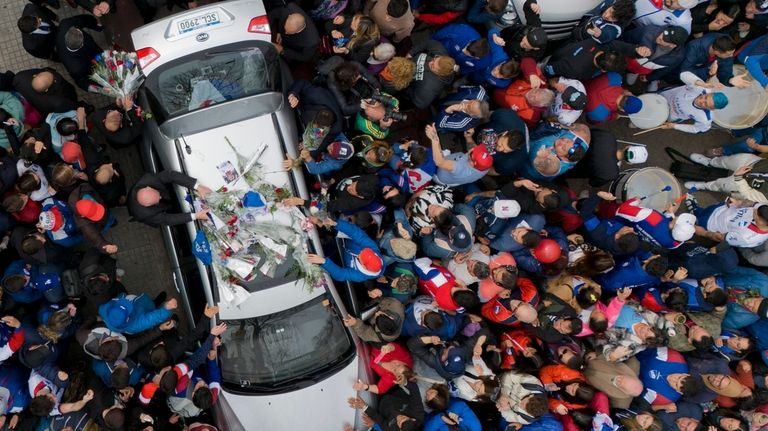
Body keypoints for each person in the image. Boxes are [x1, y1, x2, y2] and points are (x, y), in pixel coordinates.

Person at [128, 170, 212, 226]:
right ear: (149, 205)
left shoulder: (149, 180)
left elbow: (171, 175)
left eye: (158, 194)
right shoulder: (148, 215)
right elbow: (168, 219)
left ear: (148, 187)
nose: (161, 196)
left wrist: (198, 187)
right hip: (139, 212)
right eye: (158, 199)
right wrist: (196, 216)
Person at [659, 72, 729, 134]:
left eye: (706, 104)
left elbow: (697, 129)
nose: (701, 101)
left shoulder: (705, 118)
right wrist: (701, 83)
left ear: (711, 109)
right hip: (662, 96)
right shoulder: (702, 87)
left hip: (667, 115)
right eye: (705, 97)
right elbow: (683, 74)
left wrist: (674, 126)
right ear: (709, 93)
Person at [55, 15, 103, 90]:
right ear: (82, 44)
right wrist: (99, 88)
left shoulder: (66, 24)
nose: (80, 29)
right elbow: (82, 82)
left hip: (95, 50)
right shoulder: (76, 69)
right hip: (91, 63)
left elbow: (82, 19)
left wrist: (94, 23)